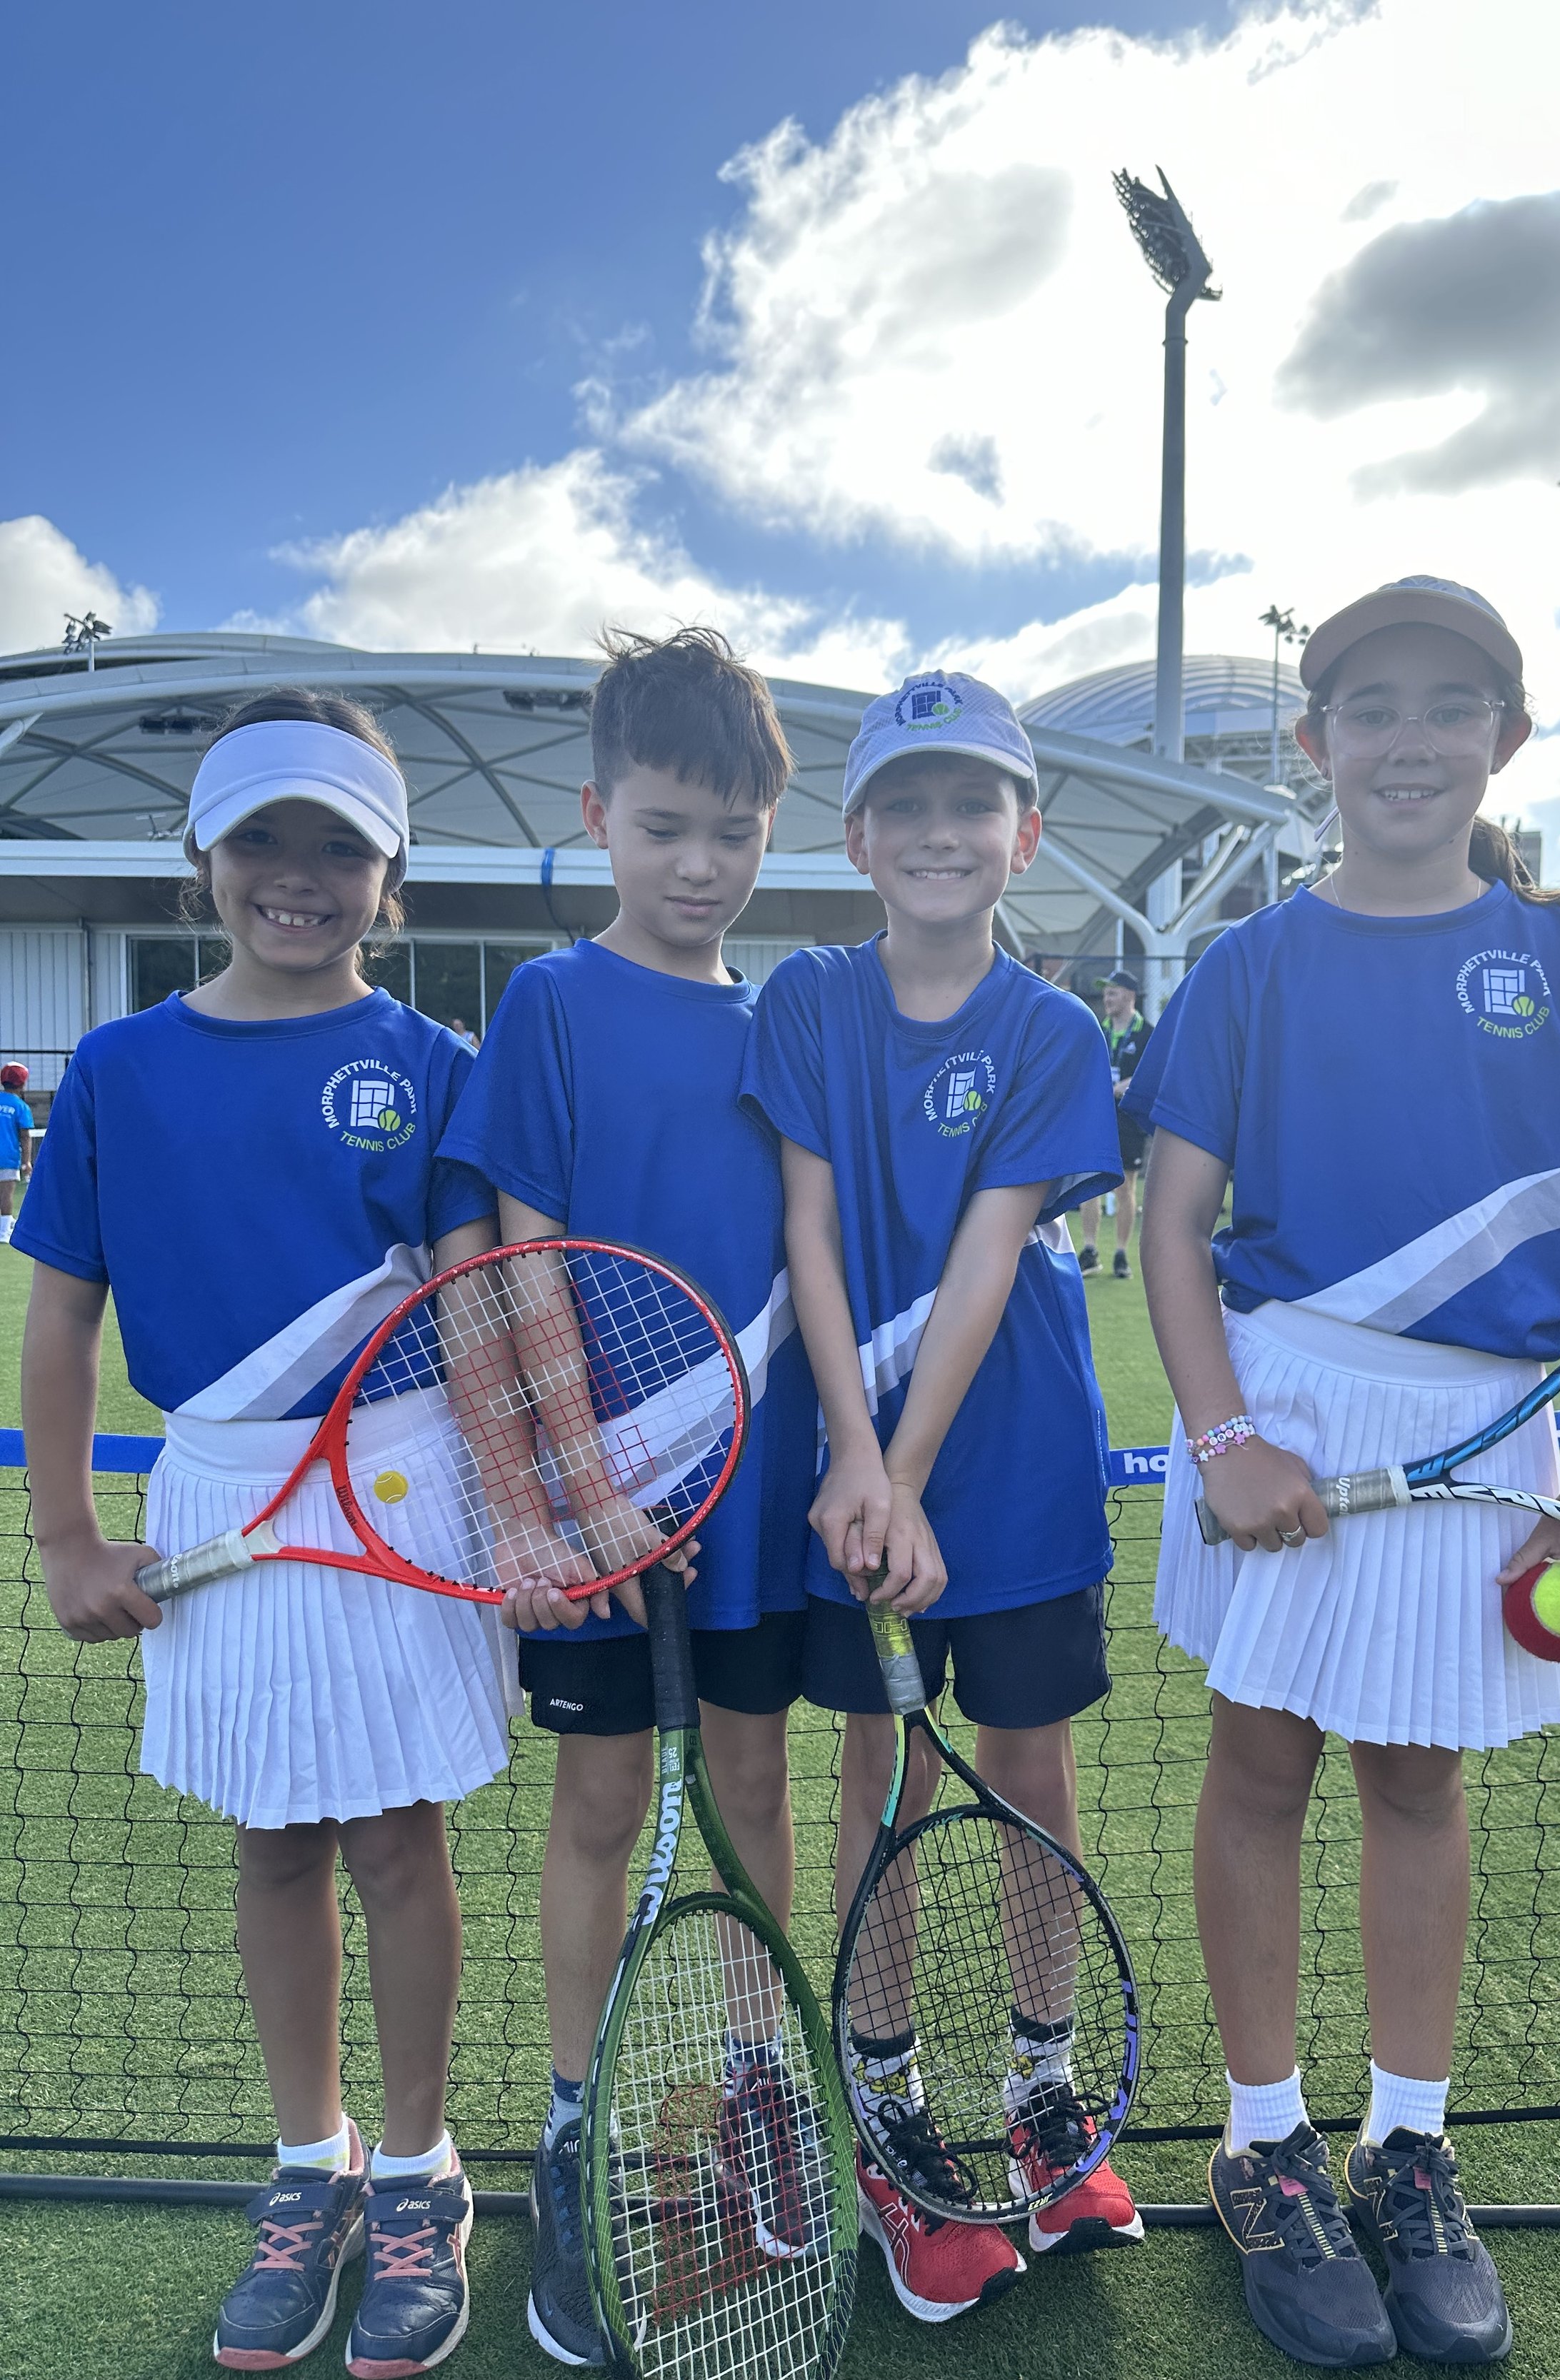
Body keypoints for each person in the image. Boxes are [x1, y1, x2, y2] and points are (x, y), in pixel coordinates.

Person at [1126, 578, 1560, 2369]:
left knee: (1420, 1782)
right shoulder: (1250, 963)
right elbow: (1173, 1227)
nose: (1409, 736)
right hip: (1284, 1405)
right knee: (1260, 1764)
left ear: (1504, 740)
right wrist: (1223, 1438)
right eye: (1370, 706)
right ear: (1314, 745)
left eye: (1452, 703)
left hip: (1488, 1441)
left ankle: (1409, 2144)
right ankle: (1262, 2140)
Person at [17, 690, 516, 2376]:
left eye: (336, 847)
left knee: (395, 1839)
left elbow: (478, 1299)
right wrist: (68, 1537)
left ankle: (422, 2175)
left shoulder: (435, 1065)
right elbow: (63, 1322)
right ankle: (312, 2168)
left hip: (393, 1488)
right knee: (272, 1845)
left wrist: (526, 1499)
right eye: (262, 842)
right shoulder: (116, 1067)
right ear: (202, 864)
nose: (295, 877)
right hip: (219, 1500)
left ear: (389, 880)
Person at [439, 626, 823, 2369]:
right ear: (600, 816)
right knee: (599, 1805)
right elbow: (518, 1253)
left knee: (751, 1784)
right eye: (665, 826)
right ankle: (581, 2114)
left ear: (769, 830)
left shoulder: (788, 1018)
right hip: (596, 1498)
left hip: (752, 1492)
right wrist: (563, 1484)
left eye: (730, 832)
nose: (698, 865)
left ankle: (757, 2096)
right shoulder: (547, 1003)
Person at [742, 669, 1143, 2329]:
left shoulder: (1052, 1031)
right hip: (851, 1476)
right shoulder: (806, 999)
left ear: (1024, 834)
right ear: (854, 837)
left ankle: (1045, 2085)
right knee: (888, 1781)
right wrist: (852, 1458)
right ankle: (891, 2115)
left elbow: (987, 1266)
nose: (938, 833)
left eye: (972, 803)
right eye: (905, 804)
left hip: (1019, 1467)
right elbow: (810, 1232)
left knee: (1032, 1774)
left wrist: (902, 1472)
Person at [1076, 970, 1151, 1280]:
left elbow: (1154, 1073)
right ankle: (1090, 1250)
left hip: (1128, 1116)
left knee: (1126, 1186)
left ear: (1130, 997)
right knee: (1088, 1181)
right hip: (1095, 1115)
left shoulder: (1147, 1033)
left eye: (1114, 992)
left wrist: (1125, 1085)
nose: (1107, 998)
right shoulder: (1095, 1029)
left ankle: (1121, 1253)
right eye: (1106, 993)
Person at [0, 1061, 34, 1245]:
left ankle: (4, 1223)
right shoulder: (21, 1107)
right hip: (8, 1157)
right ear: (22, 1084)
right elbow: (25, 1136)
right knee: (7, 1195)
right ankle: (4, 1232)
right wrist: (26, 1162)